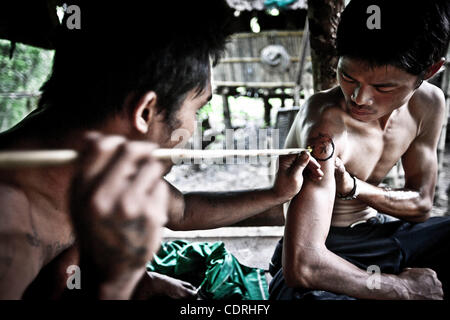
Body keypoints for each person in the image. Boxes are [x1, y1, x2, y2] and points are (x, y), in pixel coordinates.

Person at [0, 0, 322, 299]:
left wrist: (276, 193)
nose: (193, 127)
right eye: (197, 108)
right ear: (144, 112)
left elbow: (182, 210)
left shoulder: (94, 149)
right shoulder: (12, 228)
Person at [269, 0, 450, 300]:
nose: (360, 98)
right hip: (325, 249)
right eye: (349, 76)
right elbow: (303, 265)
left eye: (383, 87)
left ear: (430, 71)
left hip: (382, 235)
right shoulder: (326, 127)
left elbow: (420, 205)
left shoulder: (428, 105)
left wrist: (354, 187)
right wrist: (403, 289)